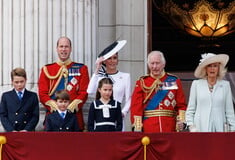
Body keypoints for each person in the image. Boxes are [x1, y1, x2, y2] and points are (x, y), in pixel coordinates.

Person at [38, 36, 89, 131]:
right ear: (57, 49)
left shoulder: (82, 69)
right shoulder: (47, 69)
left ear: (71, 49)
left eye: (66, 46)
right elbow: (42, 94)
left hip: (74, 119)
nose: (64, 49)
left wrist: (72, 105)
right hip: (53, 119)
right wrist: (55, 106)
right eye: (61, 46)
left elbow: (84, 92)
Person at [130, 51, 187, 133]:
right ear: (148, 65)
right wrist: (137, 127)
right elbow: (136, 107)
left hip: (170, 127)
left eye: (157, 63)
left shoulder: (173, 80)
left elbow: (181, 104)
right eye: (152, 63)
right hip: (149, 127)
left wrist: (181, 121)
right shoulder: (142, 82)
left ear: (163, 64)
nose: (155, 66)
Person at [87, 40, 131, 131]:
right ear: (105, 61)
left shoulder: (125, 76)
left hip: (117, 118)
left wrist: (123, 112)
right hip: (100, 120)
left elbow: (129, 98)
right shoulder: (99, 76)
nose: (112, 61)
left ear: (118, 60)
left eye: (115, 58)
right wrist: (97, 69)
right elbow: (89, 91)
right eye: (109, 58)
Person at [186, 53, 235, 132]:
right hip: (200, 129)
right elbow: (190, 109)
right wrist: (191, 126)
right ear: (205, 69)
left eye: (215, 66)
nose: (212, 69)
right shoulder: (196, 84)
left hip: (220, 129)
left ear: (219, 68)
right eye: (209, 66)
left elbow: (229, 111)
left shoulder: (225, 85)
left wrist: (232, 129)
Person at [0, 68, 39, 132]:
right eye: (16, 82)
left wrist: (26, 129)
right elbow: (3, 116)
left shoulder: (32, 96)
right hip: (11, 131)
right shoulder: (6, 96)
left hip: (27, 131)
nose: (19, 85)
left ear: (26, 80)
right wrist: (11, 130)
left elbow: (35, 116)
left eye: (22, 81)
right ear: (12, 82)